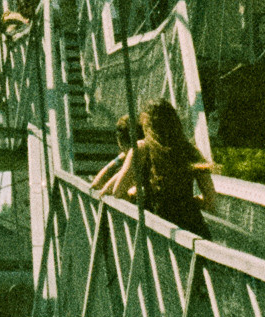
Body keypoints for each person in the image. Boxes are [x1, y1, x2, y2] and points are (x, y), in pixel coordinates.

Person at [92, 99, 218, 235]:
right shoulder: (191, 150)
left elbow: (118, 191)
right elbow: (210, 202)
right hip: (194, 231)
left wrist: (140, 196)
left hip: (162, 230)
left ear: (147, 124)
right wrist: (185, 201)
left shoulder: (142, 148)